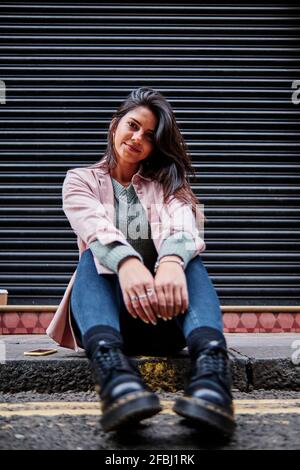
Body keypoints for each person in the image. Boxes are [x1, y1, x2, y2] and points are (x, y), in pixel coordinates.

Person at [46, 87, 236, 437]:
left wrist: (170, 263)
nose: (137, 139)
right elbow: (94, 225)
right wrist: (127, 263)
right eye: (132, 126)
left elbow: (184, 226)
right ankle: (116, 378)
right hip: (107, 317)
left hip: (164, 318)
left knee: (188, 260)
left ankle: (212, 377)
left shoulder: (166, 184)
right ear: (114, 124)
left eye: (149, 136)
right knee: (92, 255)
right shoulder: (80, 180)